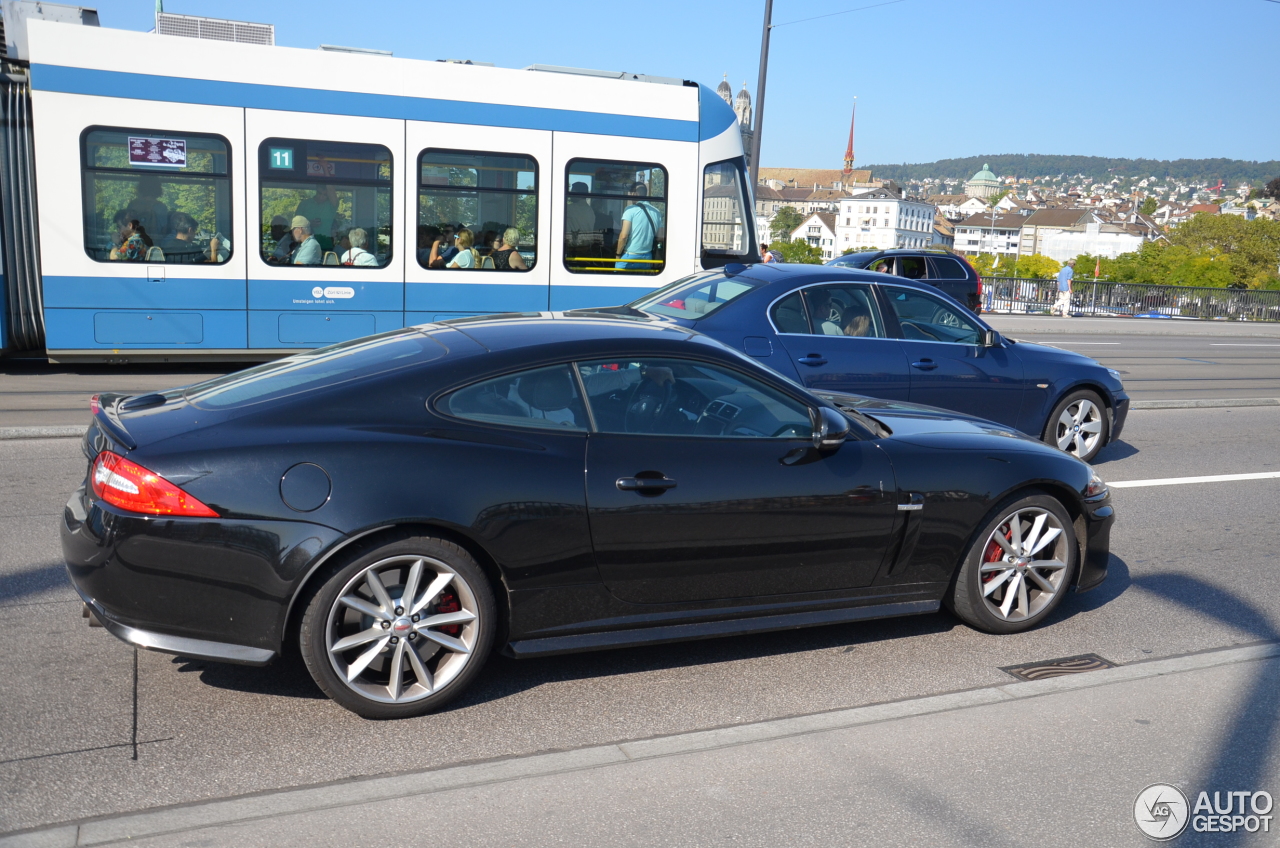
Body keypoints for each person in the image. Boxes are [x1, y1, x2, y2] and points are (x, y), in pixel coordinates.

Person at [615, 183, 662, 271]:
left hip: (630, 256)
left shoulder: (630, 210)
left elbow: (623, 236)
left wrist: (617, 255)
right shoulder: (656, 212)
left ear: (635, 193)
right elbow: (660, 237)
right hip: (648, 257)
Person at [294, 185, 339, 251]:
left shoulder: (331, 205)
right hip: (305, 245)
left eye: (325, 195)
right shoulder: (304, 204)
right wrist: (309, 224)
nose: (321, 197)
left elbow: (331, 188)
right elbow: (295, 225)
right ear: (316, 190)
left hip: (325, 245)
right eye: (319, 193)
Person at [565, 181, 595, 248]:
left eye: (572, 192)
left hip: (574, 248)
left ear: (578, 193)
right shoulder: (590, 210)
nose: (570, 194)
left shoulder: (569, 209)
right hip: (587, 247)